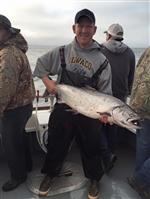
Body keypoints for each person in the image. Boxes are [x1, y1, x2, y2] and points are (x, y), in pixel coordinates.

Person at [34, 8, 112, 199]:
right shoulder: (62, 51)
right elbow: (40, 66)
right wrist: (48, 83)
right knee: (56, 143)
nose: (84, 30)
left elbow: (106, 94)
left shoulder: (102, 61)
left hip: (90, 111)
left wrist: (105, 114)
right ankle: (50, 175)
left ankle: (94, 180)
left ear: (95, 30)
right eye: (81, 25)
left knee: (91, 147)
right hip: (64, 108)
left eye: (89, 26)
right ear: (73, 28)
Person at [0, 15, 35, 191]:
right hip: (24, 104)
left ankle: (18, 176)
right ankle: (28, 165)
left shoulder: (8, 54)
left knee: (10, 142)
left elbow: (5, 88)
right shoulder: (14, 49)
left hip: (14, 107)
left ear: (6, 31)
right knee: (19, 136)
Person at [100, 23, 135, 171]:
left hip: (103, 95)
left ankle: (105, 155)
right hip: (120, 96)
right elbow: (131, 77)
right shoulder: (131, 53)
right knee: (113, 126)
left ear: (108, 35)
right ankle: (112, 151)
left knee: (99, 124)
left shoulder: (100, 49)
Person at [127, 47, 150, 199]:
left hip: (140, 105)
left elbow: (136, 75)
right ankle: (140, 179)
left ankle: (140, 180)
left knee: (143, 145)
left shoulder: (147, 50)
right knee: (144, 144)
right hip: (145, 105)